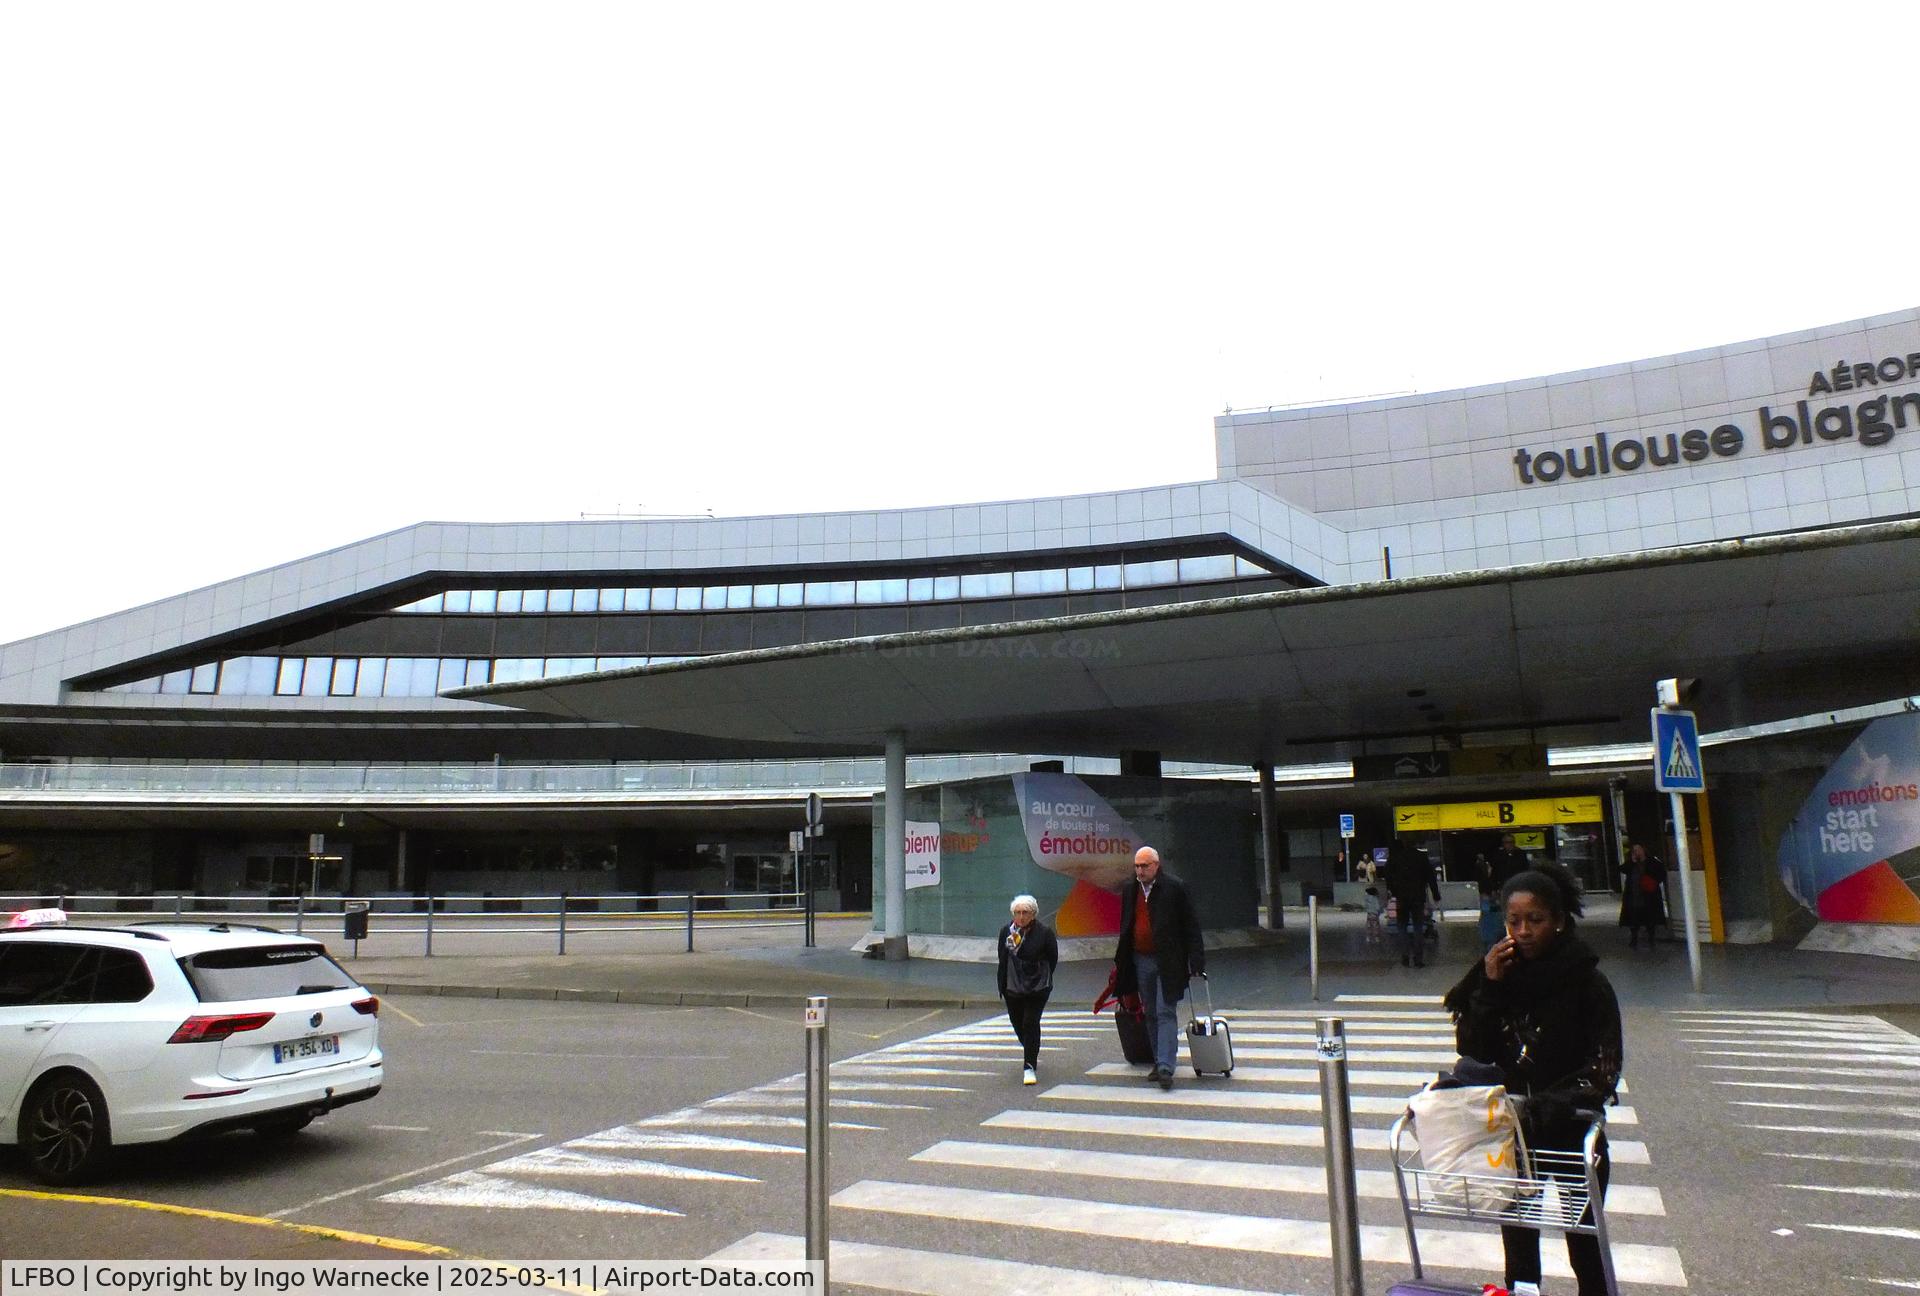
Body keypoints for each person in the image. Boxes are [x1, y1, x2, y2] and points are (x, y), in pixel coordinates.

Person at [1443, 861, 1624, 1296]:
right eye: (1513, 920)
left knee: (1584, 1243)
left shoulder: (1588, 983)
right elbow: (1474, 1049)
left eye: (1536, 920)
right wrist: (1488, 987)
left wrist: (1547, 1104)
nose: (1523, 931)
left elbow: (1604, 1069)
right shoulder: (1498, 975)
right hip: (1516, 1134)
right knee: (1519, 1245)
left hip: (1572, 1132)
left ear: (1559, 922)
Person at [1112, 845, 1204, 1091]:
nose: (1140, 871)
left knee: (1165, 1010)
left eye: (1145, 866)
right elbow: (1126, 926)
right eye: (1137, 866)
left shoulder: (1174, 887)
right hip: (1140, 959)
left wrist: (1196, 960)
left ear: (1156, 865)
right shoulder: (1131, 889)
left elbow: (1190, 925)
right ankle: (1158, 1060)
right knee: (1150, 1010)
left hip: (1169, 960)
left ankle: (1165, 1065)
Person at [996, 893, 1059, 1085]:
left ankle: (1029, 1066)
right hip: (1012, 986)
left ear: (1033, 914)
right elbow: (1002, 957)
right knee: (1018, 1023)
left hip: (1036, 986)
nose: (1021, 917)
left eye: (1025, 912)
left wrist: (1041, 975)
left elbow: (1052, 958)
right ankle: (1032, 1047)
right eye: (1017, 912)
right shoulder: (1006, 931)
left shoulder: (1044, 932)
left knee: (1030, 1022)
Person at [1383, 838, 1441, 967]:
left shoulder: (1396, 858)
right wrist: (1436, 894)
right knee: (1418, 927)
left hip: (1402, 898)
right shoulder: (1421, 857)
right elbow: (1431, 877)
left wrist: (1393, 891)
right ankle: (1418, 959)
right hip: (1418, 897)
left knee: (1402, 926)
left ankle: (1405, 956)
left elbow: (1387, 874)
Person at [1617, 841, 1669, 948]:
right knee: (1634, 917)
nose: (1637, 852)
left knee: (1650, 917)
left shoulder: (1652, 862)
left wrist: (1654, 882)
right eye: (1634, 850)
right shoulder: (1632, 863)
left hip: (1649, 894)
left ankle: (1651, 938)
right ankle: (1634, 937)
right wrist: (1632, 862)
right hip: (1634, 894)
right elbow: (1622, 869)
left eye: (1638, 850)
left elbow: (1661, 873)